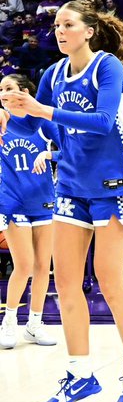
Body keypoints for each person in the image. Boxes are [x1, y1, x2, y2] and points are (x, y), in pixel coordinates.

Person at [0, 0, 123, 402]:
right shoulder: (52, 73)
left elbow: (103, 122)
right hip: (69, 186)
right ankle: (80, 373)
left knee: (108, 279)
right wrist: (14, 112)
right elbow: (41, 124)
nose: (60, 32)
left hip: (110, 184)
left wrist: (41, 109)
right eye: (56, 27)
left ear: (88, 30)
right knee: (65, 283)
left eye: (68, 25)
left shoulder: (107, 67)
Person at [0, 74, 58, 348]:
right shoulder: (1, 122)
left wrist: (48, 155)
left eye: (9, 88)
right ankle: (9, 322)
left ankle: (35, 324)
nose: (3, 93)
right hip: (13, 202)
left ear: (24, 92)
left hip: (44, 199)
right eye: (0, 89)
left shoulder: (42, 121)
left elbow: (70, 151)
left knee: (42, 267)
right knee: (22, 265)